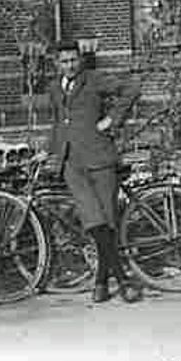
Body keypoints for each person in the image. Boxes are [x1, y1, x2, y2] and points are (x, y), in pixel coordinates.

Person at [47, 38, 143, 303]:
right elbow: (58, 122)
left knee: (107, 222)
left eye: (73, 60)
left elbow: (131, 88)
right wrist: (51, 151)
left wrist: (112, 120)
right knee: (94, 222)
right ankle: (122, 280)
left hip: (100, 159)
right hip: (72, 164)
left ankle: (101, 281)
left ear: (81, 60)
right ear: (57, 64)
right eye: (64, 61)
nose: (69, 65)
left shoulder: (95, 79)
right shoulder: (54, 88)